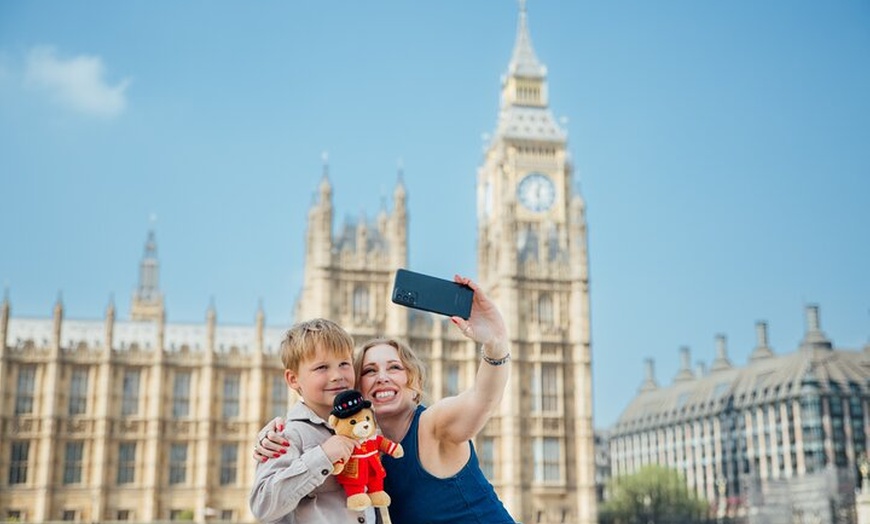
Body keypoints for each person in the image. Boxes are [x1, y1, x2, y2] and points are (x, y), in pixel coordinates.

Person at [254, 275, 516, 523]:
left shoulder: (433, 423)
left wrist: (495, 344)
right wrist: (277, 433)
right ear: (357, 390)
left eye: (394, 368)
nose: (382, 377)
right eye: (369, 371)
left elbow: (481, 399)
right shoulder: (363, 439)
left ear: (414, 383)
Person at [248, 318, 376, 524]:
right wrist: (323, 457)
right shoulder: (286, 435)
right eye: (322, 367)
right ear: (293, 379)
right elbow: (263, 505)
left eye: (344, 364)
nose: (337, 375)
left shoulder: (364, 428)